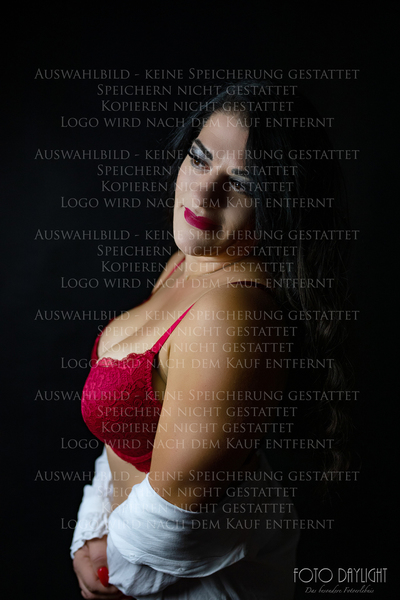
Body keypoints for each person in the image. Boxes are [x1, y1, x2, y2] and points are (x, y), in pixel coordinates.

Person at [70, 80, 350, 599]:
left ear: (280, 204)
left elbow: (178, 512)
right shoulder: (189, 262)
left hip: (189, 582)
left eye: (240, 183)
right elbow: (128, 439)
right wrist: (92, 528)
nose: (203, 193)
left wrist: (113, 567)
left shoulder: (233, 313)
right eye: (199, 159)